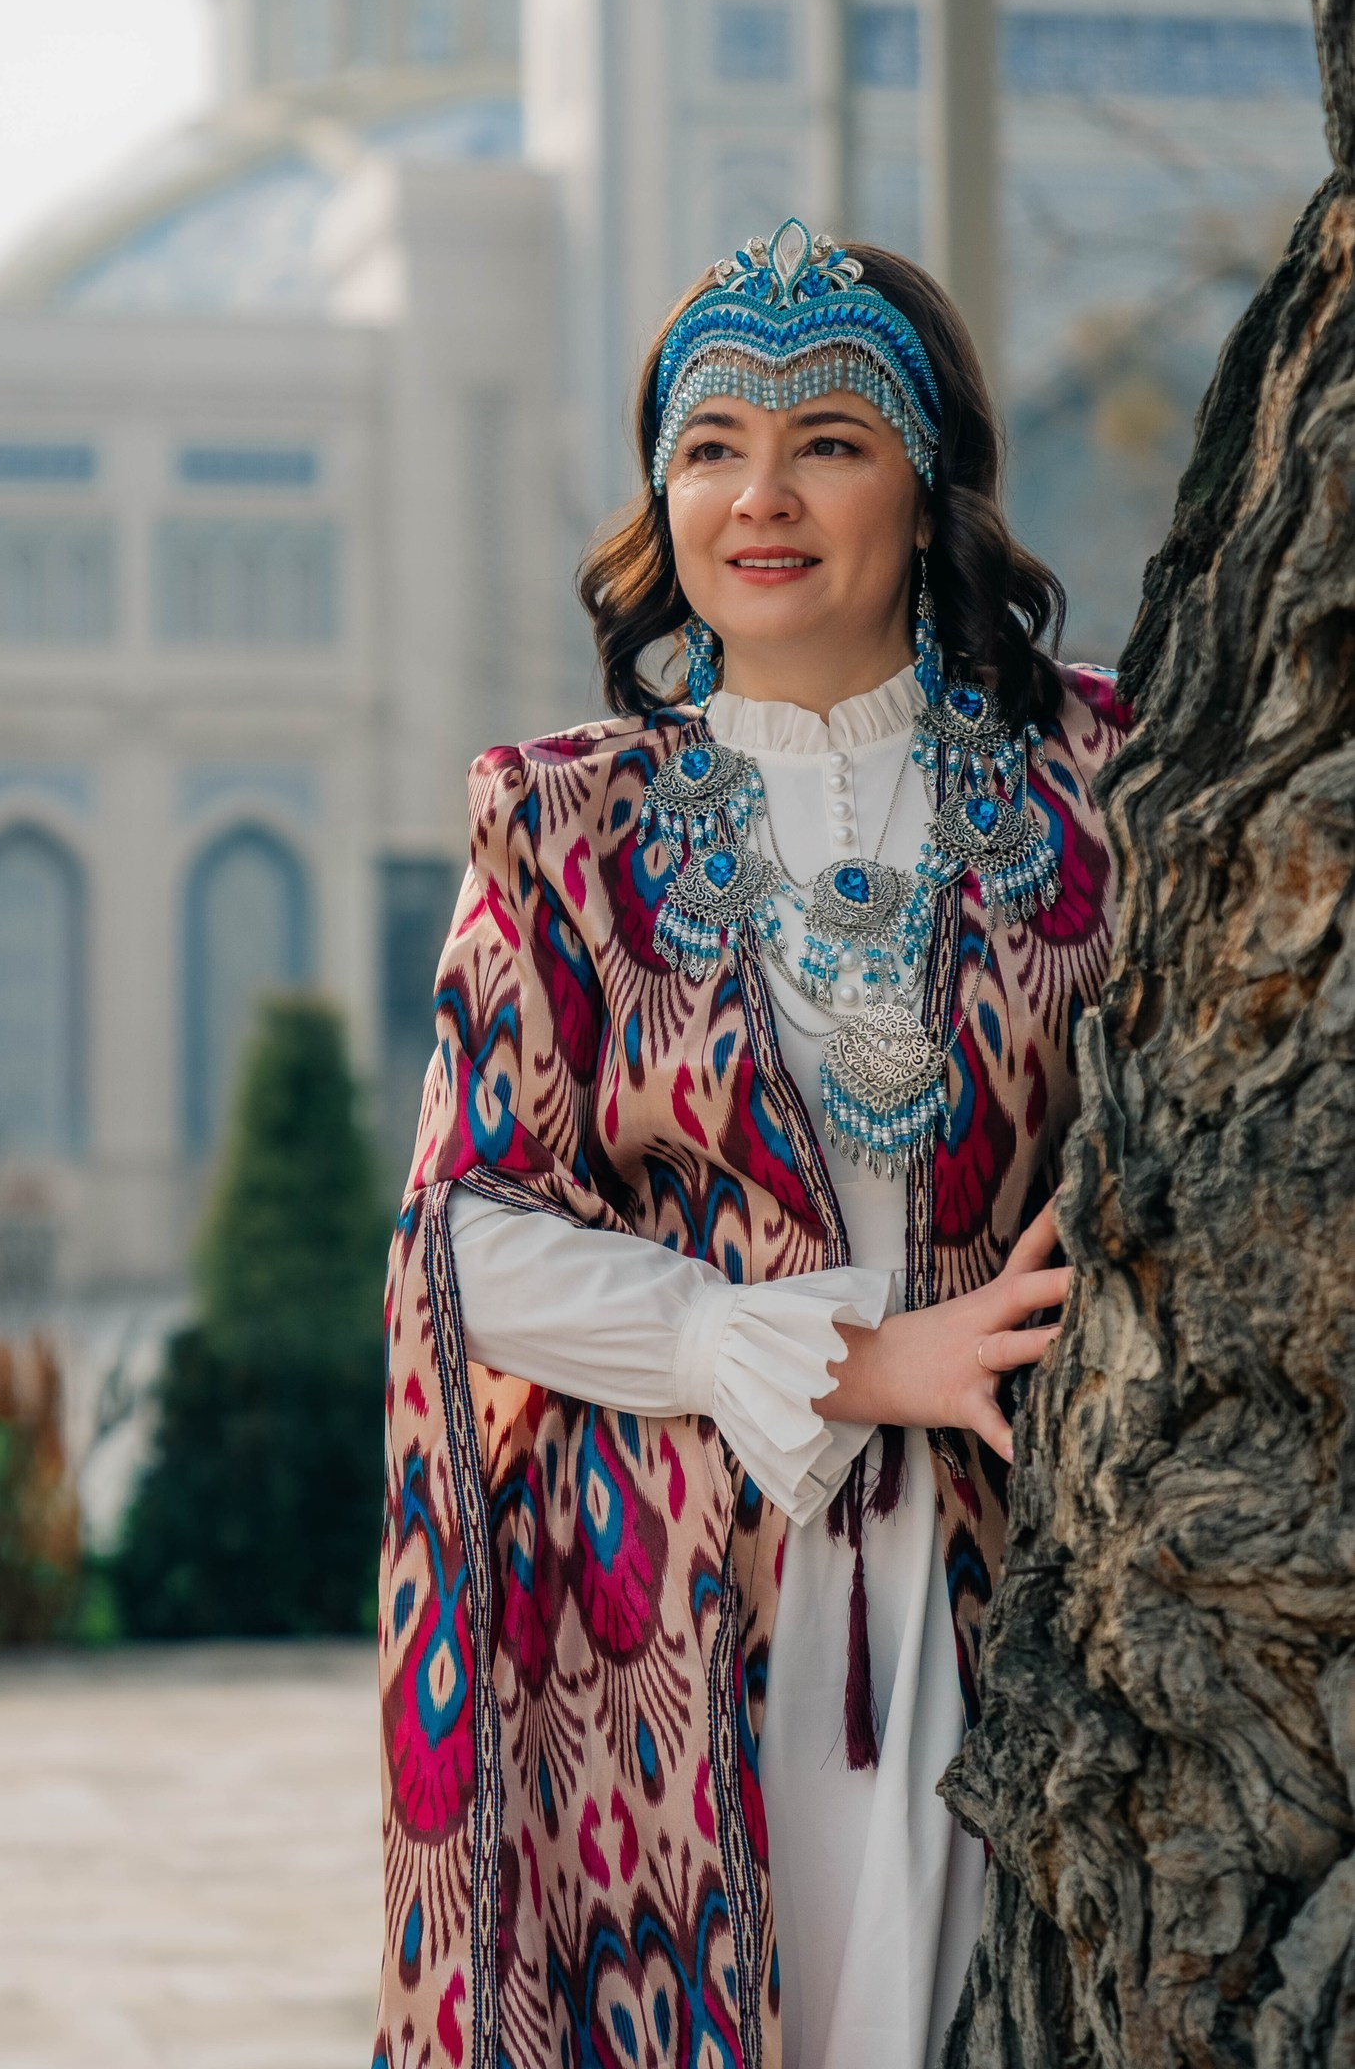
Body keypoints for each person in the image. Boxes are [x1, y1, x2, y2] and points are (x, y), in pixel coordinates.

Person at [373, 222, 1128, 2069]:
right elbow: (464, 1239)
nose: (759, 497)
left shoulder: (1098, 784)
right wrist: (840, 1359)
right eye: (710, 446)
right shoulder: (565, 826)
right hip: (664, 1620)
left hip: (1023, 1593)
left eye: (828, 442)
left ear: (927, 484)